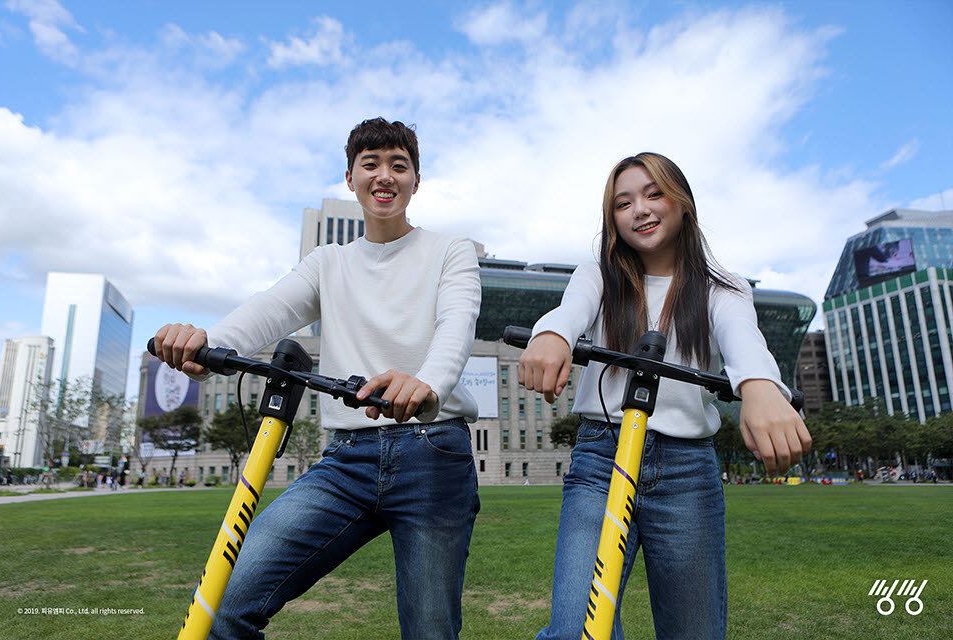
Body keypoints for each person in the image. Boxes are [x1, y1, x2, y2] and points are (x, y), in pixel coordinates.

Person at [152, 117, 481, 640]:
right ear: (350, 179)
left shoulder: (451, 251)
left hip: (433, 456)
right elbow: (269, 308)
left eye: (400, 165)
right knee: (222, 604)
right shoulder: (329, 261)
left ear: (416, 180)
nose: (385, 176)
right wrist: (207, 342)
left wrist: (427, 384)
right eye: (370, 164)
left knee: (430, 632)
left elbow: (456, 326)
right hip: (346, 459)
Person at [519, 153, 812, 640]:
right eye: (623, 202)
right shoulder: (600, 272)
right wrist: (552, 335)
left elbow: (743, 341)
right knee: (574, 631)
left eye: (654, 194)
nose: (640, 209)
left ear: (683, 203)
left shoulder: (723, 289)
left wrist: (760, 388)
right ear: (611, 218)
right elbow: (569, 311)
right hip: (602, 458)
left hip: (686, 472)